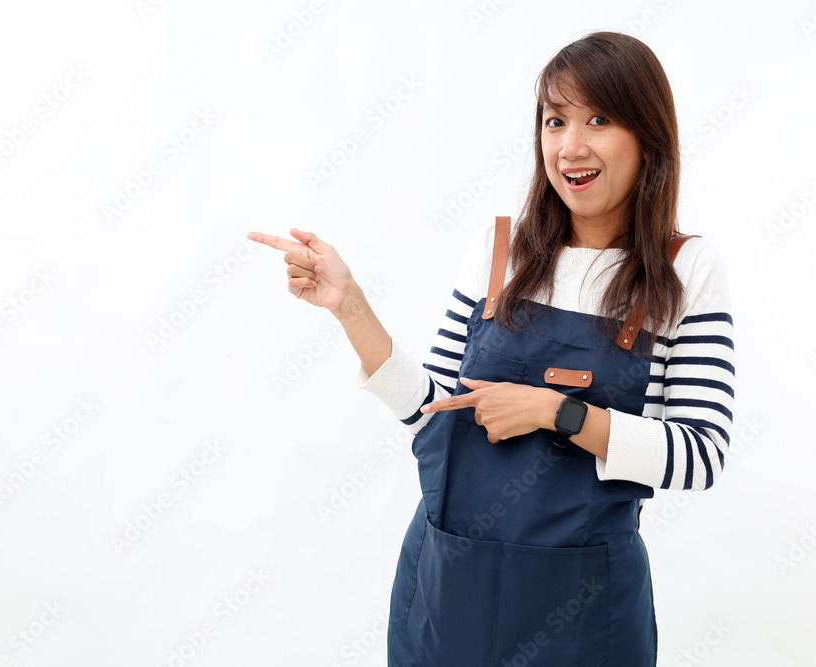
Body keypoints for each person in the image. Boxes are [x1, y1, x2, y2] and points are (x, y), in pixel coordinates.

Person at [249, 30, 734, 667]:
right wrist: (350, 305)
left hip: (584, 609)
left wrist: (554, 411)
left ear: (647, 134)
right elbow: (433, 414)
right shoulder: (500, 250)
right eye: (554, 120)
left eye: (599, 119)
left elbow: (701, 454)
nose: (571, 146)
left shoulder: (682, 269)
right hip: (451, 586)